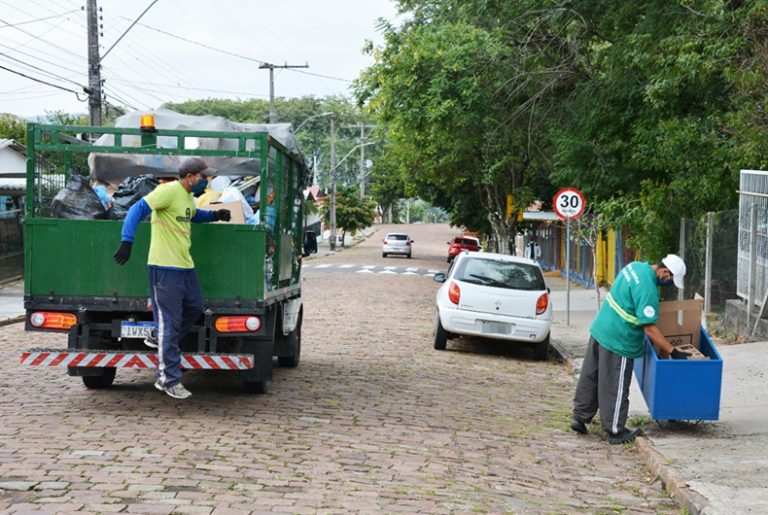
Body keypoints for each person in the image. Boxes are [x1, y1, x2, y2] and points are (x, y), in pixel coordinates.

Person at [112, 157, 231, 399]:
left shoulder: (187, 197)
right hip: (164, 267)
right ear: (190, 177)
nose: (206, 180)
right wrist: (127, 241)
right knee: (170, 322)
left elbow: (192, 215)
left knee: (195, 308)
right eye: (203, 176)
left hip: (184, 265)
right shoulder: (167, 191)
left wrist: (215, 215)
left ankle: (158, 335)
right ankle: (168, 379)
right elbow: (137, 209)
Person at [571, 254, 691, 444]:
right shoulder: (648, 289)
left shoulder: (635, 267)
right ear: (664, 272)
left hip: (601, 328)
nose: (668, 283)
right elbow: (650, 328)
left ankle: (580, 416)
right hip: (619, 339)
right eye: (670, 279)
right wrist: (673, 351)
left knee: (591, 374)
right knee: (615, 385)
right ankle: (615, 430)